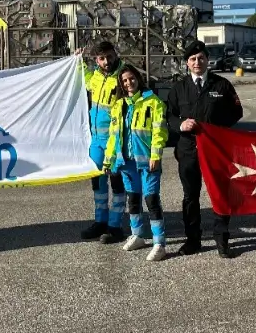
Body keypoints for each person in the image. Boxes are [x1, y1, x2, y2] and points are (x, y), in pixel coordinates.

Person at [166, 40, 244, 258]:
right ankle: (193, 240)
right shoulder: (179, 88)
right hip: (188, 149)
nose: (197, 62)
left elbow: (237, 112)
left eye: (201, 58)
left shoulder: (222, 85)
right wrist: (180, 124)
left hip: (216, 149)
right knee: (190, 196)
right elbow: (168, 116)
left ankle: (222, 239)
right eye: (192, 59)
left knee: (219, 193)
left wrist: (217, 128)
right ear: (187, 64)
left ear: (207, 61)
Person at [101, 64, 169, 262]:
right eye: (124, 80)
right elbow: (113, 136)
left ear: (138, 79)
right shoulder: (119, 105)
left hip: (147, 162)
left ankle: (159, 242)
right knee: (133, 199)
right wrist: (109, 160)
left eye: (131, 78)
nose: (128, 83)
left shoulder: (153, 102)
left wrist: (155, 155)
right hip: (126, 162)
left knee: (151, 200)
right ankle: (138, 235)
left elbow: (159, 131)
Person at [76, 41, 128, 243]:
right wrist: (78, 62)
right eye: (102, 58)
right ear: (96, 60)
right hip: (96, 140)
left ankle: (115, 226)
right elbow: (86, 79)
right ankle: (100, 222)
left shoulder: (123, 76)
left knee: (116, 183)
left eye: (109, 56)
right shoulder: (96, 76)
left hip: (114, 140)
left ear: (115, 54)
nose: (106, 61)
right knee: (97, 183)